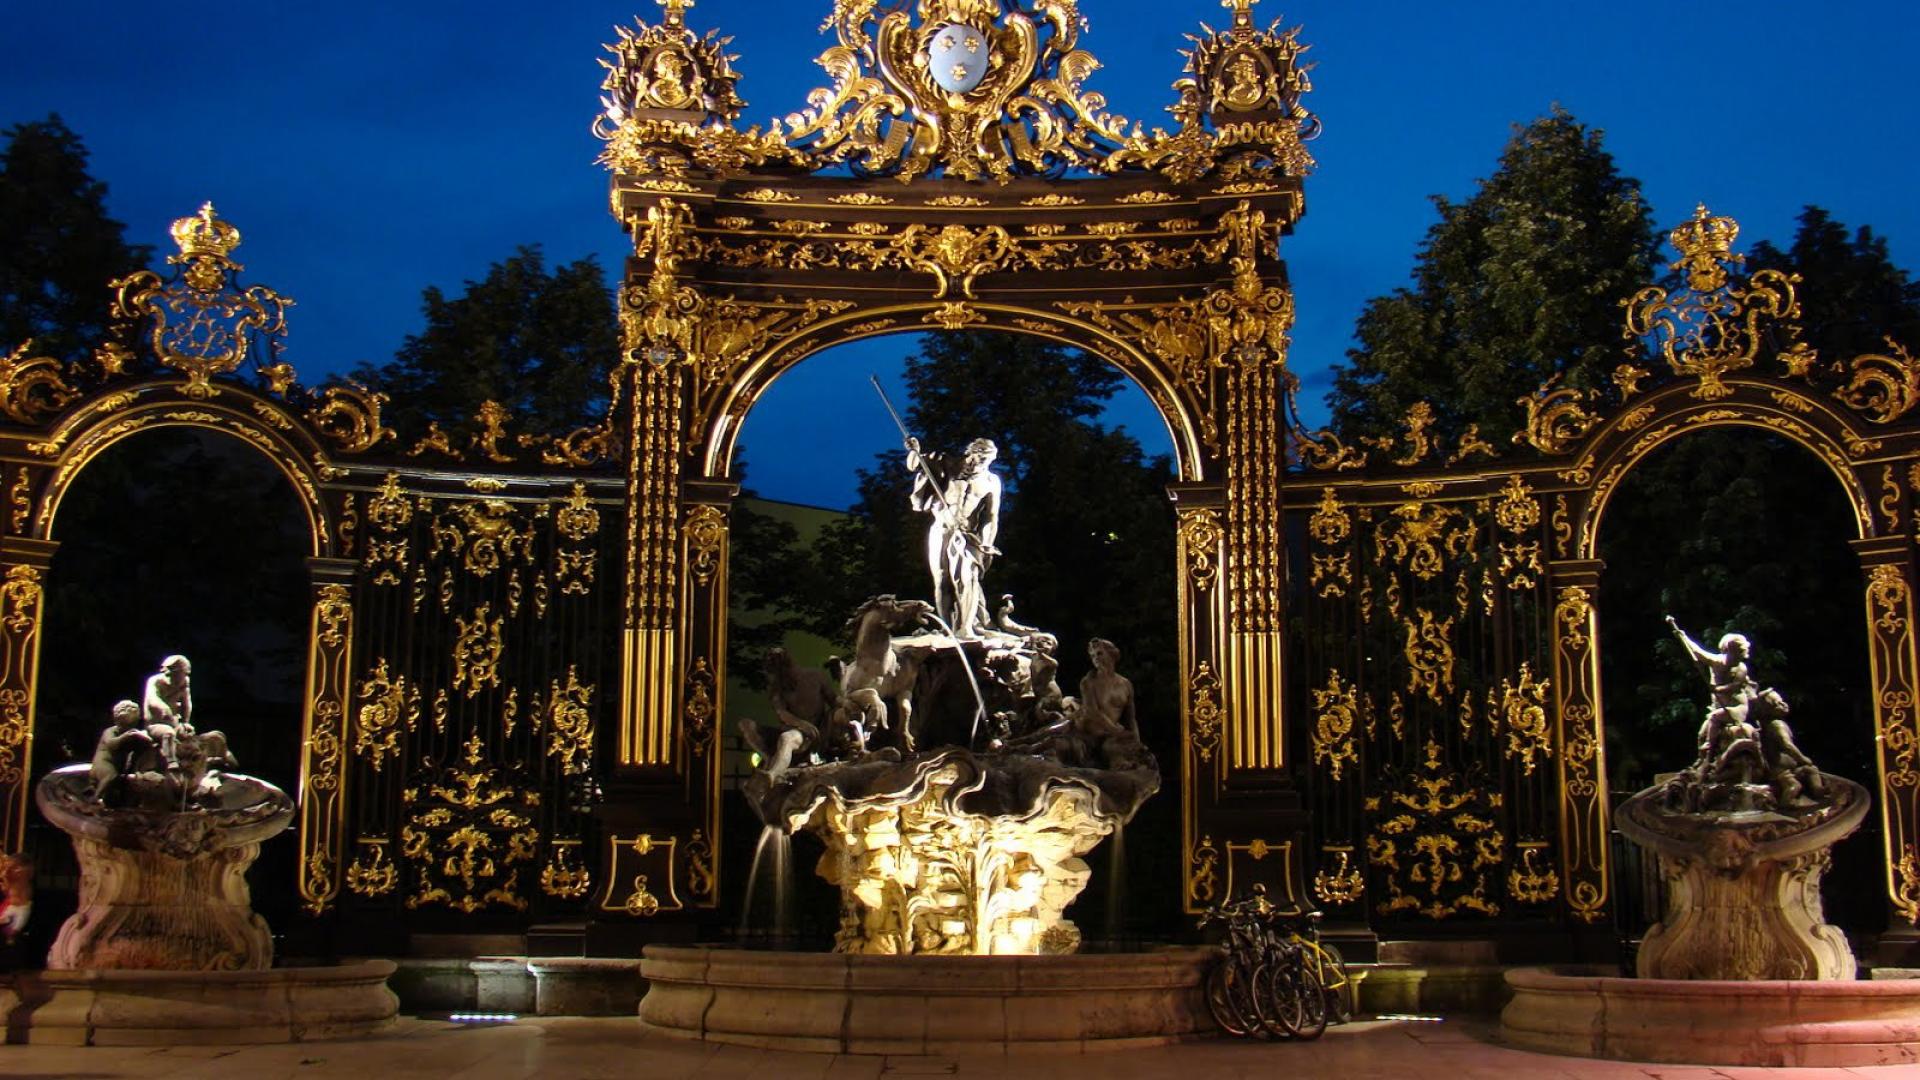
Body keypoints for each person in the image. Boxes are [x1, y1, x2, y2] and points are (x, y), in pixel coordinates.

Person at [904, 437, 1002, 639]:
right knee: (941, 579)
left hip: (967, 535)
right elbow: (915, 465)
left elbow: (991, 516)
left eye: (988, 461)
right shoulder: (948, 464)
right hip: (941, 528)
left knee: (969, 577)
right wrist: (914, 450)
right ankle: (947, 628)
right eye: (981, 459)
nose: (983, 465)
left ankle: (966, 628)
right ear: (972, 453)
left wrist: (987, 542)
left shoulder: (991, 481)